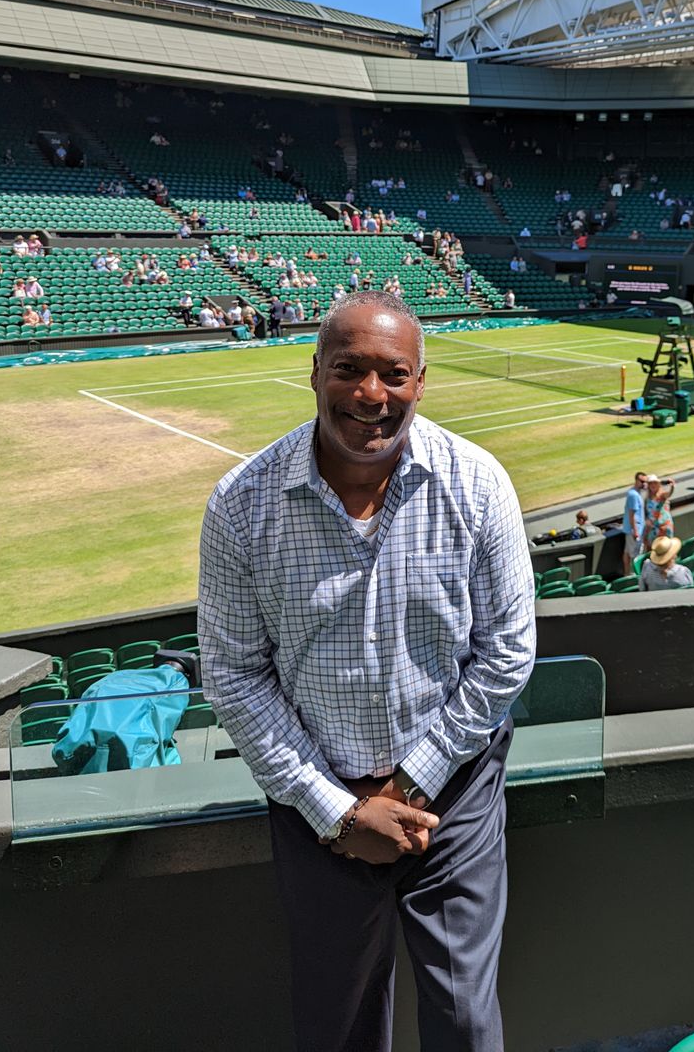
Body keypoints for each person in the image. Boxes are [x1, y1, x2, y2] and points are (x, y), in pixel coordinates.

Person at [198, 292, 535, 1052]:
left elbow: (508, 650)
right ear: (314, 371)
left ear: (422, 382)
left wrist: (409, 783)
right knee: (337, 1022)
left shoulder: (477, 484)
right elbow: (234, 674)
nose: (371, 396)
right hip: (316, 796)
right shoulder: (242, 505)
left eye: (395, 373)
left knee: (467, 1021)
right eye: (350, 369)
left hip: (454, 794)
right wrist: (338, 810)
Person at [620, 471, 648, 575]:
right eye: (642, 481)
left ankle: (627, 574)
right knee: (635, 555)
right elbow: (632, 514)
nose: (644, 484)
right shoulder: (633, 495)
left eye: (646, 481)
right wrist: (635, 531)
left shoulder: (636, 492)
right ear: (636, 480)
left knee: (627, 552)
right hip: (634, 530)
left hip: (632, 529)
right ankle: (633, 575)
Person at [642, 475, 675, 551]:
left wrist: (672, 487)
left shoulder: (662, 495)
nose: (653, 485)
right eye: (651, 483)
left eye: (655, 483)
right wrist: (647, 520)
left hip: (664, 527)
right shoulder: (647, 499)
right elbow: (646, 513)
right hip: (653, 528)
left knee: (667, 548)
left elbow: (669, 494)